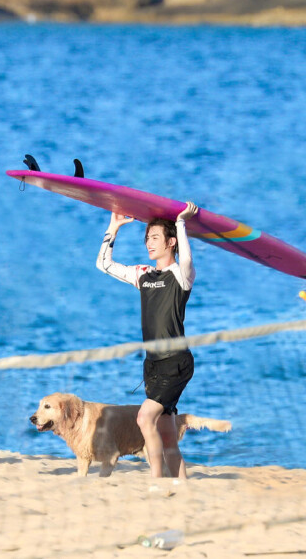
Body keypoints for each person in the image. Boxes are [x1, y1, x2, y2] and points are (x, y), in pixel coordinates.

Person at [95, 201, 199, 479]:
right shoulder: (143, 275)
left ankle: (157, 481)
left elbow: (187, 260)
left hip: (176, 362)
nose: (148, 244)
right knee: (167, 435)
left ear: (171, 242)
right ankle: (181, 487)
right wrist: (113, 228)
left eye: (154, 238)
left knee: (144, 418)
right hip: (152, 365)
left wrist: (181, 221)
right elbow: (103, 264)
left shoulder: (181, 275)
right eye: (147, 239)